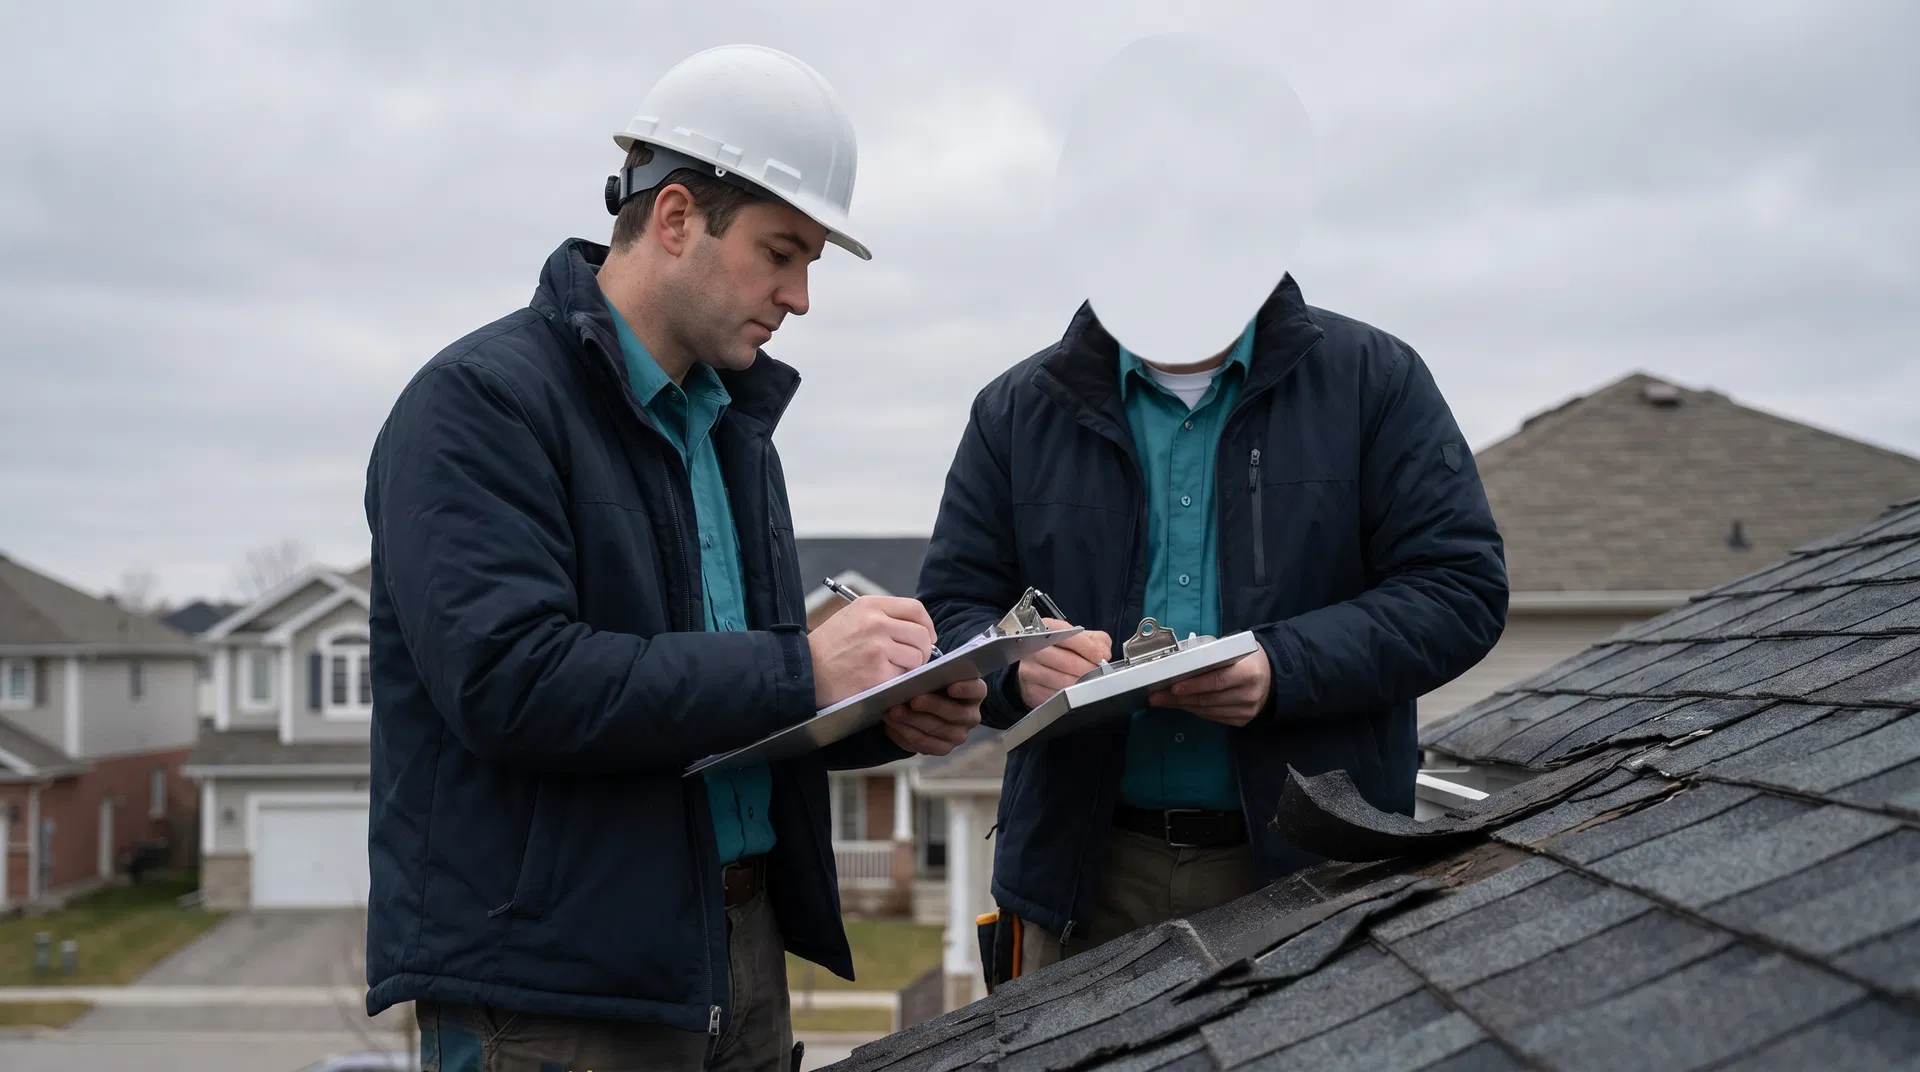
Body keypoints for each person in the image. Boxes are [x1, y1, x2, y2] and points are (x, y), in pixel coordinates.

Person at [362, 45, 984, 1071]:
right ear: (677, 217)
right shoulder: (478, 406)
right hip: (552, 993)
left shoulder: (730, 428)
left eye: (811, 265)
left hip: (734, 957)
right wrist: (805, 667)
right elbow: (512, 682)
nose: (800, 297)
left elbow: (714, 712)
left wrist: (878, 712)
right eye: (781, 253)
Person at [919, 278, 1507, 972]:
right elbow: (949, 616)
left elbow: (1458, 589)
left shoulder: (1375, 381)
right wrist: (1017, 674)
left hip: (1316, 878)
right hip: (1079, 882)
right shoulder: (1014, 410)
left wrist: (1281, 668)